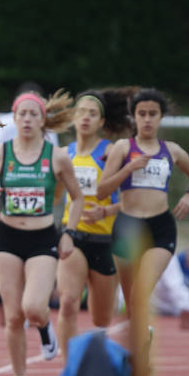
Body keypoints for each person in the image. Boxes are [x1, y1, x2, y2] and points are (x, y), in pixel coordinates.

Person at [0, 89, 84, 376]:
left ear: (43, 120)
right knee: (13, 315)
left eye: (34, 114)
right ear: (14, 119)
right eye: (23, 114)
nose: (28, 120)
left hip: (43, 236)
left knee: (33, 306)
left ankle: (45, 328)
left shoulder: (56, 156)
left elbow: (78, 197)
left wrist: (69, 233)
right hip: (8, 237)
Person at [96, 88, 189, 376]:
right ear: (134, 116)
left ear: (160, 117)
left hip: (160, 228)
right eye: (141, 114)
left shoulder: (172, 151)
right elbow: (103, 190)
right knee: (131, 302)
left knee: (142, 291)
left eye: (152, 114)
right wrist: (128, 169)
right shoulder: (121, 148)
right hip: (128, 227)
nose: (146, 119)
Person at [56, 89, 134, 358]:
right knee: (67, 303)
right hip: (73, 235)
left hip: (106, 240)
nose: (86, 118)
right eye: (81, 112)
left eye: (92, 114)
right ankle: (69, 373)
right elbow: (54, 196)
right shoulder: (63, 154)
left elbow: (135, 200)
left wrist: (107, 211)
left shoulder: (111, 152)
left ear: (102, 122)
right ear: (73, 118)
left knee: (101, 318)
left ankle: (98, 364)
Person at [0, 81, 59, 150]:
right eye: (22, 113)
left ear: (43, 119)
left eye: (33, 114)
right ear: (14, 117)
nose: (27, 119)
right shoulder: (1, 125)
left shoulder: (50, 132)